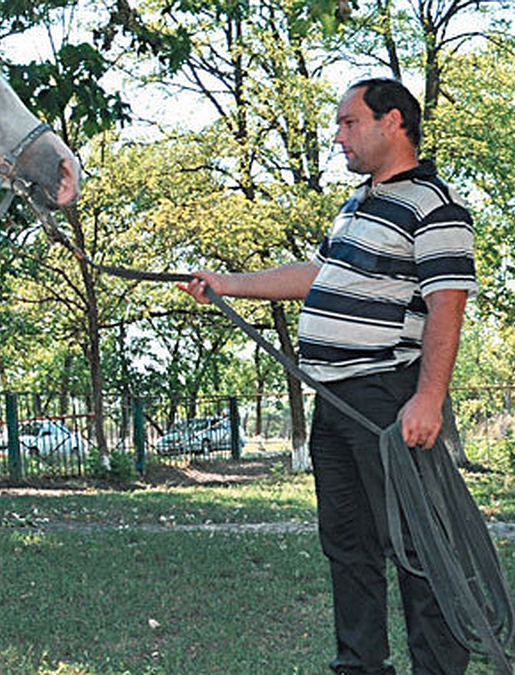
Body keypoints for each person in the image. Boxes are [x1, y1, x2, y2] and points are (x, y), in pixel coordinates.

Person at [179, 78, 477, 674]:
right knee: (348, 546)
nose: (338, 136)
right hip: (334, 405)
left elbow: (447, 304)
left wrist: (428, 399)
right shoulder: (356, 206)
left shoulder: (434, 207)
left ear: (392, 122)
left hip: (386, 399)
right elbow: (318, 275)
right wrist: (229, 284)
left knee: (418, 545)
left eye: (348, 122)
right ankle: (360, 666)